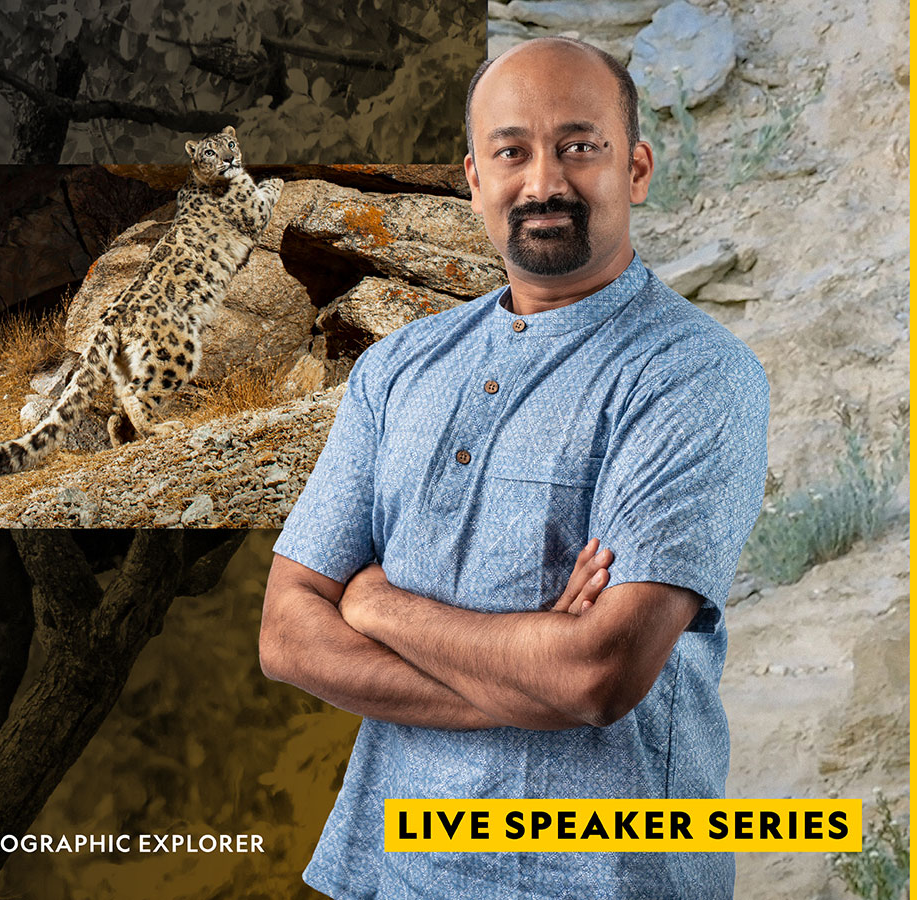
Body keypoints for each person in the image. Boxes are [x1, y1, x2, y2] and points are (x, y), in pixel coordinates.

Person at [260, 37, 770, 898]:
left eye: (580, 146)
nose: (544, 182)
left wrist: (376, 604)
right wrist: (530, 677)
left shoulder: (695, 375)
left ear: (636, 169)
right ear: (474, 179)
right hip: (388, 875)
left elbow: (595, 677)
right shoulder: (398, 368)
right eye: (511, 152)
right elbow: (286, 632)